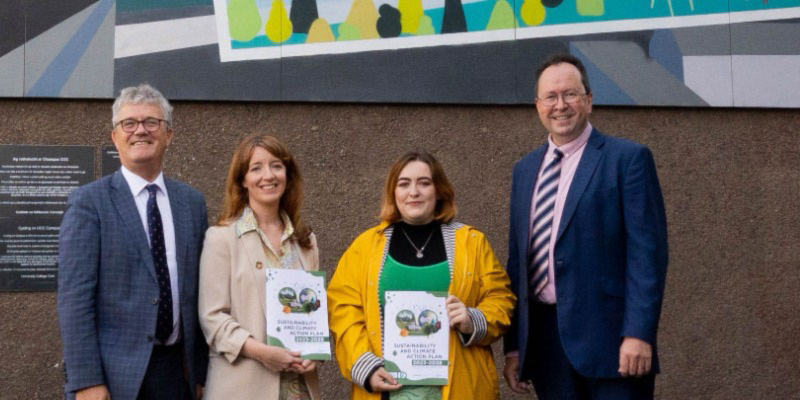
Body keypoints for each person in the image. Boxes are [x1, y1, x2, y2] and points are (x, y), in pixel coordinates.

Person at [503, 53, 669, 399]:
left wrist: (639, 333)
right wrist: (515, 346)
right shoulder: (524, 170)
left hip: (614, 345)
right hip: (546, 346)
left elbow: (647, 255)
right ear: (538, 106)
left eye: (570, 94)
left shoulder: (628, 160)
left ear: (589, 101)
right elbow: (519, 263)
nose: (560, 105)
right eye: (550, 96)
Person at [58, 84, 208, 400]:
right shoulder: (89, 202)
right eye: (130, 123)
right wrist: (87, 381)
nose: (140, 130)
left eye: (151, 122)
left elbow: (199, 293)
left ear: (168, 134)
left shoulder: (191, 204)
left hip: (175, 374)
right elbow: (75, 299)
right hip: (112, 379)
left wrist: (201, 371)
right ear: (115, 137)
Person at [328, 151, 515, 400]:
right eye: (404, 184)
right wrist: (366, 366)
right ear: (393, 193)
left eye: (424, 183)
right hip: (388, 389)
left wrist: (473, 320)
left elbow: (500, 298)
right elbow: (343, 311)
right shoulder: (365, 247)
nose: (413, 192)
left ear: (439, 191)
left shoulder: (472, 242)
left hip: (459, 386)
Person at [198, 134, 321, 400]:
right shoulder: (221, 238)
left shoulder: (305, 241)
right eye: (256, 168)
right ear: (243, 179)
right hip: (243, 386)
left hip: (299, 388)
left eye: (276, 165)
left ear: (288, 175)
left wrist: (315, 353)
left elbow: (315, 311)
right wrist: (263, 353)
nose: (268, 175)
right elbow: (213, 319)